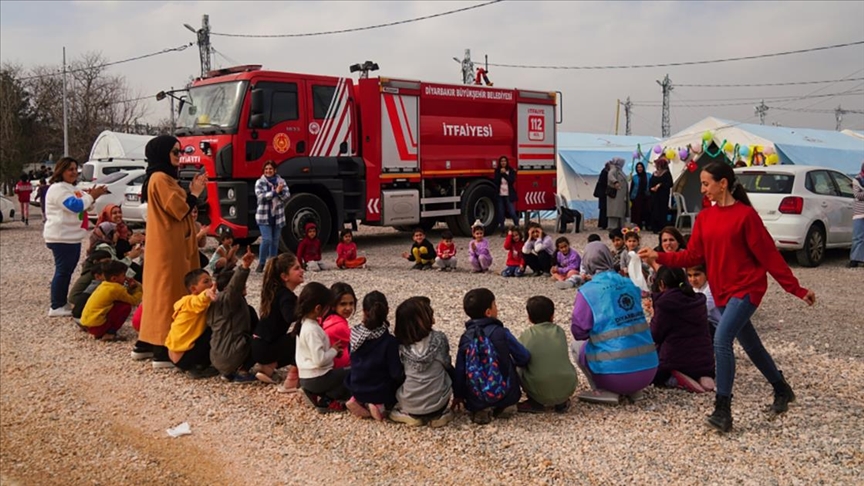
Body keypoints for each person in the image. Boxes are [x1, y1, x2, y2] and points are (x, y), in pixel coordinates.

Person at [639, 161, 815, 433]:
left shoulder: (745, 216)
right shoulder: (705, 217)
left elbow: (769, 256)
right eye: (701, 184)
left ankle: (723, 409)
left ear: (723, 184)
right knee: (752, 345)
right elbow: (692, 256)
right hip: (722, 291)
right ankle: (782, 389)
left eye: (706, 183)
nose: (703, 189)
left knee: (721, 339)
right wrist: (658, 256)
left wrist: (797, 289)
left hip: (747, 289)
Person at [136, 135, 208, 367]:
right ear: (162, 153)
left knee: (159, 292)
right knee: (167, 294)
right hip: (169, 247)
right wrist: (195, 192)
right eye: (175, 152)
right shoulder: (160, 179)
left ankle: (146, 342)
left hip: (168, 244)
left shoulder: (160, 178)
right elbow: (180, 208)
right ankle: (161, 347)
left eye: (180, 152)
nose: (179, 156)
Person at [570, 241, 659, 405]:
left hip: (614, 375)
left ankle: (602, 390)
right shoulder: (630, 283)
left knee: (576, 345)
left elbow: (579, 331)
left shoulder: (588, 291)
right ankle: (635, 392)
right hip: (648, 370)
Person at [454, 288, 531, 425]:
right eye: (495, 305)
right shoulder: (501, 332)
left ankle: (481, 409)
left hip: (476, 398)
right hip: (507, 393)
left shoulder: (466, 338)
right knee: (509, 366)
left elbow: (460, 370)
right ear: (488, 312)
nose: (497, 308)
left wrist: (458, 395)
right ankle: (505, 405)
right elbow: (523, 357)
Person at [43, 157, 108, 317]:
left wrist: (93, 196)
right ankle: (56, 305)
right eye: (69, 169)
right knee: (63, 271)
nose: (73, 172)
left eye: (75, 169)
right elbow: (75, 206)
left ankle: (61, 302)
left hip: (72, 236)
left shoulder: (72, 188)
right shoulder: (57, 189)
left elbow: (85, 205)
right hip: (61, 237)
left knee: (67, 270)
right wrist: (91, 196)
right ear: (61, 171)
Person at [391, 296, 455, 427]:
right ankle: (439, 416)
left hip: (410, 404)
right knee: (445, 373)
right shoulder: (440, 339)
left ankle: (409, 415)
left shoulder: (401, 345)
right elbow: (447, 365)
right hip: (438, 404)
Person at [650, 267, 715, 393]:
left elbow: (655, 335)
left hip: (676, 360)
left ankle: (675, 379)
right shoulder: (698, 299)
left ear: (662, 284)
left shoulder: (665, 303)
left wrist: (654, 313)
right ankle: (703, 376)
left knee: (651, 373)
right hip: (705, 361)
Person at [344, 291, 403, 421]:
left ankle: (357, 399)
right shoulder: (389, 341)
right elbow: (395, 373)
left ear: (364, 311)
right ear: (387, 311)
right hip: (378, 390)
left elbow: (350, 357)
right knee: (392, 383)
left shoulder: (355, 334)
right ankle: (378, 406)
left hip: (356, 386)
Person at [296, 282, 351, 413]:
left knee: (343, 373)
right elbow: (319, 360)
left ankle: (315, 394)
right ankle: (327, 400)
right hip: (316, 376)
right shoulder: (312, 329)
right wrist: (333, 351)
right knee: (351, 372)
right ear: (318, 308)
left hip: (308, 376)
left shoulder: (304, 323)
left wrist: (332, 351)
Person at [516, 296, 577, 413]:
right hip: (568, 386)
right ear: (552, 316)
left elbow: (520, 358)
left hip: (539, 390)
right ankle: (561, 402)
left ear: (529, 318)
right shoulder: (559, 332)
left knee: (519, 366)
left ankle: (535, 403)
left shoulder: (527, 335)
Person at [208, 246, 259, 383]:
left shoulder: (213, 301)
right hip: (231, 355)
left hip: (216, 356)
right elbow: (234, 288)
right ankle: (242, 370)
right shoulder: (228, 299)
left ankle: (228, 372)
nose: (244, 286)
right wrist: (244, 267)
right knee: (261, 340)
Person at [252, 252, 303, 389]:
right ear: (285, 276)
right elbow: (289, 316)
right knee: (302, 334)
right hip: (265, 348)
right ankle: (293, 376)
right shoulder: (285, 295)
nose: (302, 270)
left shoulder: (276, 292)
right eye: (297, 268)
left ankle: (268, 367)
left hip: (259, 346)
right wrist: (307, 310)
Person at [164, 269, 218, 378]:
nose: (211, 284)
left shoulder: (185, 302)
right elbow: (197, 302)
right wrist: (206, 294)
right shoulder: (190, 301)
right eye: (206, 282)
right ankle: (197, 367)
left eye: (211, 280)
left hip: (175, 356)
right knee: (214, 331)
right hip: (185, 357)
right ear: (193, 289)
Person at [80, 261, 142, 341]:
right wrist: (137, 289)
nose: (125, 277)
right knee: (125, 307)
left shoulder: (105, 284)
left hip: (88, 324)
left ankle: (101, 333)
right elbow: (134, 301)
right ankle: (110, 334)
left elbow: (124, 291)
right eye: (123, 275)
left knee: (118, 303)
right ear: (114, 278)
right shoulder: (115, 289)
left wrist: (127, 285)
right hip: (97, 327)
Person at [255, 160, 291, 273]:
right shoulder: (260, 182)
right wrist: (275, 192)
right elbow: (261, 197)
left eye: (270, 169)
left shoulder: (281, 181)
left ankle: (272, 264)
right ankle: (261, 263)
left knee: (275, 241)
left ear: (275, 170)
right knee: (267, 240)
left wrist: (279, 193)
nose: (268, 171)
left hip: (277, 215)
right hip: (263, 216)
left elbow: (287, 195)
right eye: (266, 169)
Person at [321, 282, 355, 370]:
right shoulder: (339, 326)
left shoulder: (326, 319)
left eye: (351, 303)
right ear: (333, 305)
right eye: (343, 304)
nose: (348, 308)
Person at [68, 250, 112, 314]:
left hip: (75, 299)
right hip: (78, 300)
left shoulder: (89, 270)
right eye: (106, 262)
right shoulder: (95, 274)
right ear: (96, 262)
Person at [687, 265, 721, 335]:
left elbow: (698, 311)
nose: (693, 279)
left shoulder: (712, 288)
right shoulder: (694, 289)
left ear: (706, 274)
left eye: (696, 275)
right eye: (689, 276)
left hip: (716, 327)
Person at [493, 155, 518, 236]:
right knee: (501, 212)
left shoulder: (511, 171)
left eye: (504, 161)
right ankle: (502, 230)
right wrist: (500, 173)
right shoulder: (497, 171)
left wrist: (504, 174)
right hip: (500, 194)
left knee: (512, 212)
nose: (503, 163)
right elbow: (496, 181)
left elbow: (511, 180)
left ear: (507, 162)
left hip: (508, 194)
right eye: (501, 161)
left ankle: (517, 226)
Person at [649, 157, 674, 232]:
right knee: (654, 211)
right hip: (654, 196)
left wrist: (661, 185)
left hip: (662, 196)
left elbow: (670, 184)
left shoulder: (666, 173)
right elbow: (650, 183)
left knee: (662, 211)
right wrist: (651, 188)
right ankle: (654, 228)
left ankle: (662, 228)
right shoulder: (654, 173)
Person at [605, 157, 629, 230]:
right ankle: (613, 227)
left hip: (620, 196)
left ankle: (619, 226)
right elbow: (610, 176)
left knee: (619, 211)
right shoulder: (614, 169)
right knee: (614, 212)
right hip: (615, 196)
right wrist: (615, 182)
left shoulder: (619, 170)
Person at [849, 162, 864, 268]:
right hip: (859, 213)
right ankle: (854, 259)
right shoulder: (857, 180)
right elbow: (858, 195)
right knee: (858, 237)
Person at [629, 162, 651, 229]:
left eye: (640, 167)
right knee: (638, 212)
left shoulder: (648, 175)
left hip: (647, 196)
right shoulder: (635, 177)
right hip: (637, 196)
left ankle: (648, 225)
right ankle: (639, 225)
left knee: (647, 211)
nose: (639, 168)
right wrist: (630, 197)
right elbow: (632, 187)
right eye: (638, 167)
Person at [593, 162, 610, 229]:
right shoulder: (605, 172)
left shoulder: (603, 171)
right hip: (603, 194)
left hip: (602, 194)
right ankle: (603, 224)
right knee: (604, 209)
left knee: (603, 210)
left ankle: (602, 224)